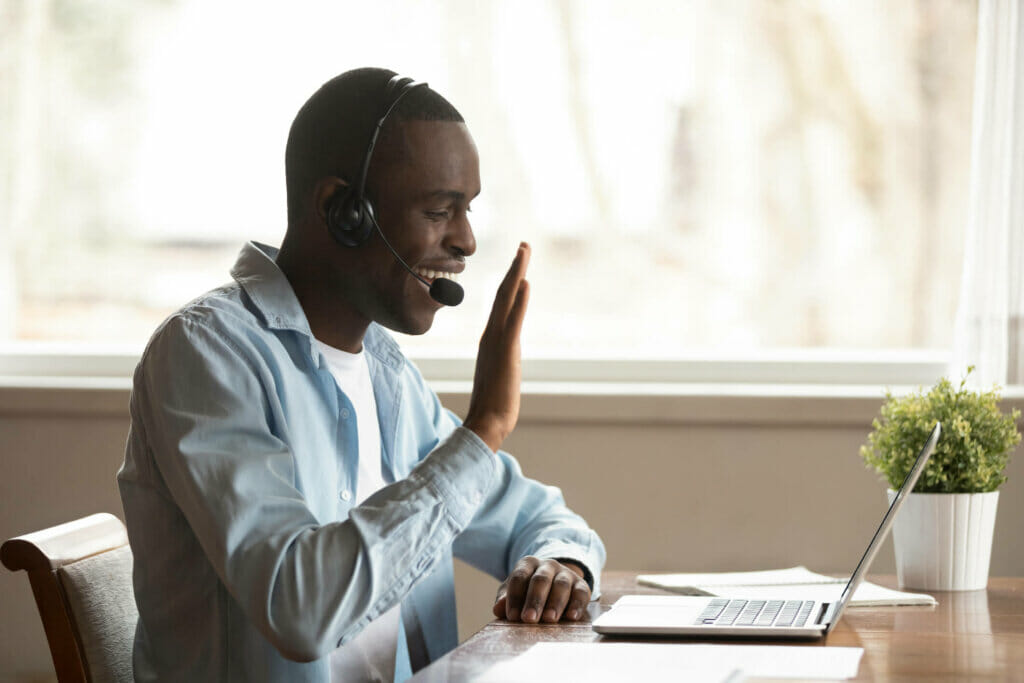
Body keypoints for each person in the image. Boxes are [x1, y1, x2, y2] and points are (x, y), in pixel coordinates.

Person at [117, 67, 605, 682]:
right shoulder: (205, 356)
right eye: (438, 210)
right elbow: (299, 609)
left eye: (468, 210)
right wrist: (482, 430)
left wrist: (561, 564)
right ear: (342, 211)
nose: (467, 241)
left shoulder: (386, 375)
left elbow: (539, 519)